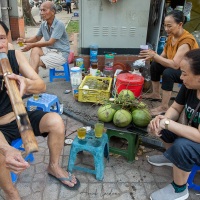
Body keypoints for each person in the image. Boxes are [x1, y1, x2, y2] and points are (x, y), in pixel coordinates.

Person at [0, 21, 79, 200]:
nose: (0, 44)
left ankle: (54, 166)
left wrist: (27, 83)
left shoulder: (14, 56)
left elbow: (41, 85)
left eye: (2, 38)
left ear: (7, 39)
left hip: (20, 115)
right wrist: (5, 148)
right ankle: (10, 193)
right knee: (2, 153)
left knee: (56, 122)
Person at [147, 48, 200, 200]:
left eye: (185, 74)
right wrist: (162, 120)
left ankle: (179, 189)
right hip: (194, 133)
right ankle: (173, 159)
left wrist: (167, 123)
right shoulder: (190, 86)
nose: (181, 78)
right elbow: (176, 107)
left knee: (182, 146)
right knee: (162, 124)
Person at [140, 10, 199, 116]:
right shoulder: (171, 37)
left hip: (189, 73)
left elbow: (175, 65)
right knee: (155, 65)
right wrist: (151, 56)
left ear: (180, 24)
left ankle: (164, 106)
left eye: (169, 26)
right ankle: (156, 94)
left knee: (168, 73)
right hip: (178, 68)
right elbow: (163, 56)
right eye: (165, 26)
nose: (166, 29)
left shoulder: (186, 41)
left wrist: (155, 56)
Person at [17, 1, 70, 74]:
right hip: (50, 51)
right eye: (41, 10)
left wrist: (31, 45)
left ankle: (32, 78)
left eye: (44, 10)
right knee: (35, 49)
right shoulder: (43, 24)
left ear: (53, 11)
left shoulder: (59, 24)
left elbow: (50, 42)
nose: (41, 13)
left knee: (35, 61)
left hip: (60, 54)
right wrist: (24, 41)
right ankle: (33, 79)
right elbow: (37, 38)